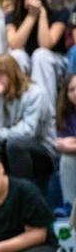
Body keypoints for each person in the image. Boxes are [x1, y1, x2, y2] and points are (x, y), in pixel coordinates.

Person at [0, 53, 57, 188]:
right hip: (8, 148)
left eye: (1, 73)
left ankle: (22, 194)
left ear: (12, 73)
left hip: (41, 151)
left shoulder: (35, 93)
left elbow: (29, 132)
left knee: (15, 145)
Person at [6, 0, 67, 106]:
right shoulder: (12, 15)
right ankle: (19, 111)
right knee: (16, 56)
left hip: (54, 61)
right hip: (28, 59)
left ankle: (45, 113)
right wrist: (31, 16)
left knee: (41, 55)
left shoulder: (59, 12)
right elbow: (15, 44)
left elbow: (46, 45)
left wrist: (42, 14)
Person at [56, 74, 76, 204]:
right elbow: (60, 142)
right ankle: (69, 207)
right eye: (71, 89)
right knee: (67, 159)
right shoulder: (67, 114)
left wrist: (71, 144)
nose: (75, 93)